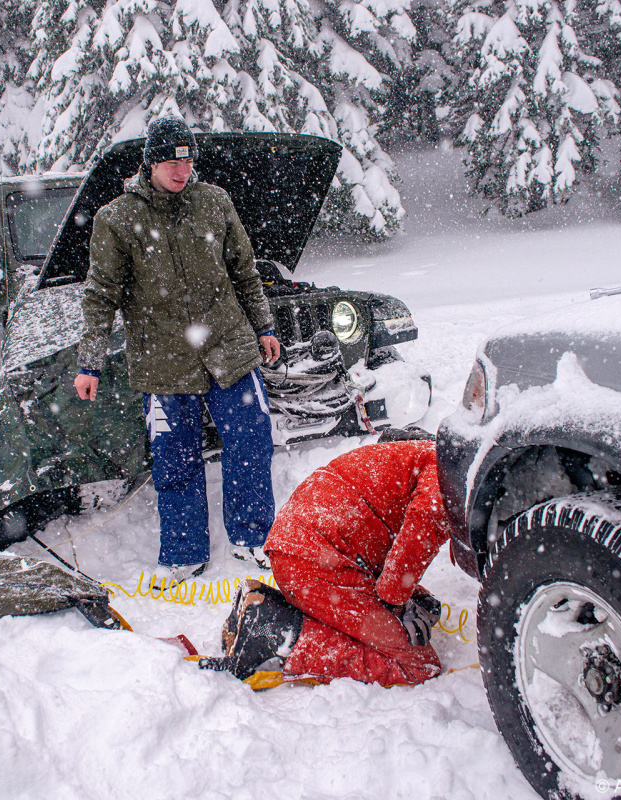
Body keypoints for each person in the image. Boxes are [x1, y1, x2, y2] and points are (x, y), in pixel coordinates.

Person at [72, 116, 281, 583]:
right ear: (150, 163)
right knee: (175, 456)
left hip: (229, 347)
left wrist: (264, 326)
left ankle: (253, 537)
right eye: (171, 160)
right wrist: (90, 362)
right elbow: (101, 293)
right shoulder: (117, 218)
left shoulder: (214, 202)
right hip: (162, 359)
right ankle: (185, 550)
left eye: (187, 159)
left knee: (251, 441)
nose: (181, 169)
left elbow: (244, 272)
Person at [201, 439, 453, 687]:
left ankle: (269, 611)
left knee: (399, 610)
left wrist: (413, 596)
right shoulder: (445, 484)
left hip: (302, 545)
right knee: (420, 666)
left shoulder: (426, 455)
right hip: (317, 563)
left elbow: (377, 537)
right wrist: (398, 604)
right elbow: (395, 582)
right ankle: (279, 634)